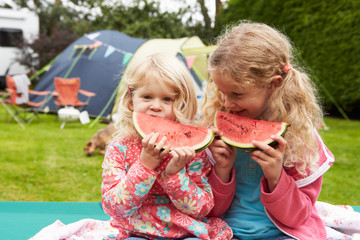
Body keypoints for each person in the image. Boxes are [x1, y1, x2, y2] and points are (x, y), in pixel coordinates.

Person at [201, 21, 335, 240]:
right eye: (221, 91)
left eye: (237, 94)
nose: (226, 103)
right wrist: (222, 171)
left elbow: (297, 218)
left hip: (284, 233)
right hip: (223, 231)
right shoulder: (216, 132)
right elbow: (210, 209)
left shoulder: (301, 139)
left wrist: (276, 177)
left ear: (273, 84)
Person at [101, 53, 232, 240]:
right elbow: (114, 208)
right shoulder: (118, 149)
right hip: (134, 230)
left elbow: (201, 208)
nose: (156, 106)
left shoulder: (191, 151)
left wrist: (174, 174)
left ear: (181, 104)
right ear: (131, 101)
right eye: (147, 97)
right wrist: (144, 167)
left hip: (185, 232)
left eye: (167, 99)